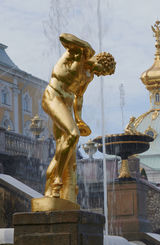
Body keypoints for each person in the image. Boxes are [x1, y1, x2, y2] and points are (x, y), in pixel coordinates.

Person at [42, 33, 116, 202]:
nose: (98, 75)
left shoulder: (88, 76)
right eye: (101, 71)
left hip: (67, 104)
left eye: (102, 74)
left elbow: (79, 97)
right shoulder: (79, 53)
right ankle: (57, 181)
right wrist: (87, 46)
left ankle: (50, 188)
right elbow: (62, 37)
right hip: (53, 96)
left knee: (64, 147)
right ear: (99, 60)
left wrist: (79, 118)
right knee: (73, 134)